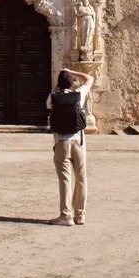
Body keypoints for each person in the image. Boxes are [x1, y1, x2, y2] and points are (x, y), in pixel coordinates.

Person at [47, 66, 94, 226]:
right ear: (72, 82)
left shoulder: (53, 97)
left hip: (62, 142)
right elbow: (90, 79)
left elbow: (49, 102)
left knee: (65, 180)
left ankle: (66, 215)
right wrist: (72, 72)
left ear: (59, 84)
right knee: (81, 178)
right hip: (79, 142)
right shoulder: (79, 95)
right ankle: (80, 215)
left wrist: (58, 85)